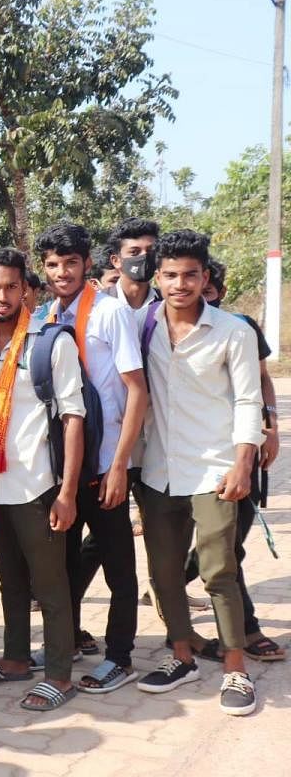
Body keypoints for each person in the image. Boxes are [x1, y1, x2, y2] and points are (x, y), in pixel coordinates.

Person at [133, 230, 265, 716]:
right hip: (158, 470)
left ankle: (235, 668)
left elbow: (249, 399)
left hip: (215, 470)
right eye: (170, 275)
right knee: (164, 572)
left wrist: (244, 461)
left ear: (205, 277)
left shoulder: (233, 330)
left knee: (218, 571)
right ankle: (181, 656)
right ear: (158, 278)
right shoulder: (141, 326)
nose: (180, 284)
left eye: (190, 274)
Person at [0, 247, 85, 712]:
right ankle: (17, 658)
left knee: (51, 585)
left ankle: (59, 673)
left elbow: (74, 416)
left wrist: (68, 493)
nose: (2, 295)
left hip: (38, 488)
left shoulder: (50, 342)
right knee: (9, 579)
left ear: (26, 290)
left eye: (11, 286)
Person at [35, 222, 147, 693]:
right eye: (53, 264)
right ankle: (70, 639)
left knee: (119, 563)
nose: (62, 272)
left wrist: (120, 465)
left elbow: (136, 392)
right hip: (62, 465)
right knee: (62, 567)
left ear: (87, 264)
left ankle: (120, 655)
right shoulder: (44, 315)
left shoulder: (108, 313)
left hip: (102, 464)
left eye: (71, 263)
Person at [176, 258, 284, 662]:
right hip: (191, 459)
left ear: (214, 288)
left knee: (230, 543)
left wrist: (268, 430)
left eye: (202, 287)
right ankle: (248, 629)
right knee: (225, 550)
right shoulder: (162, 329)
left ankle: (177, 584)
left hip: (240, 453)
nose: (190, 294)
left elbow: (260, 382)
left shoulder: (237, 329)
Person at [105, 217, 161, 318]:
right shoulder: (98, 304)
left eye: (151, 250)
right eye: (134, 252)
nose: (144, 256)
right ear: (116, 261)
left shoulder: (167, 303)